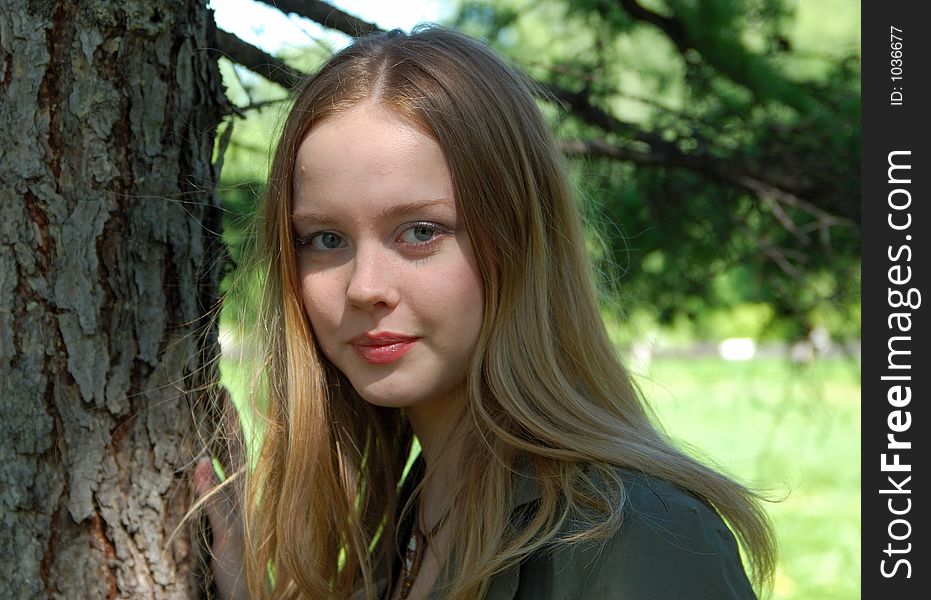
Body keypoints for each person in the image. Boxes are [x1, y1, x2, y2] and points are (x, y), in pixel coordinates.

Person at [192, 25, 776, 600]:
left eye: (420, 232)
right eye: (324, 239)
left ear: (519, 241)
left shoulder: (635, 536)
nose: (364, 287)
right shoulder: (406, 525)